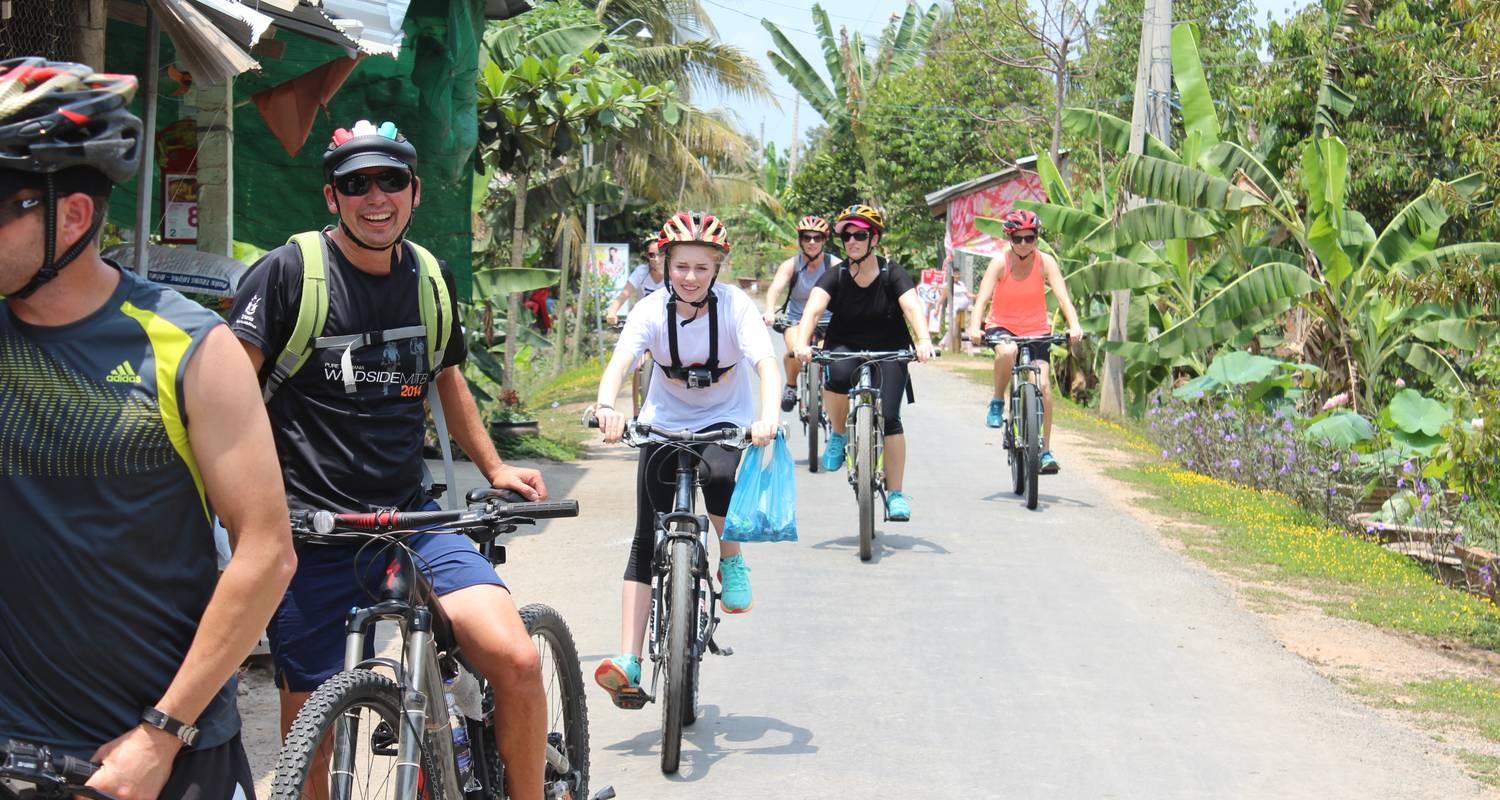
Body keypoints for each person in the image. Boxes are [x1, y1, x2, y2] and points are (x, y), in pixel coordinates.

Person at [227, 119, 550, 800]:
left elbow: (447, 378)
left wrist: (494, 467)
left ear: (415, 190)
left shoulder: (429, 278)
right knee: (307, 736)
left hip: (414, 519)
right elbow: (227, 391)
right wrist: (241, 511)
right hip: (316, 532)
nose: (376, 197)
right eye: (356, 183)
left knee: (516, 658)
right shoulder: (289, 275)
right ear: (332, 197)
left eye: (390, 180)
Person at [0, 57, 295, 798]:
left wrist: (161, 734)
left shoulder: (188, 347)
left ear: (71, 216)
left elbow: (265, 551)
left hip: (154, 757)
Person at [590, 211, 778, 705]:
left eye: (701, 267)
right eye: (680, 266)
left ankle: (731, 561)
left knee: (718, 478)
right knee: (644, 530)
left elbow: (766, 365)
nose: (690, 277)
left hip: (723, 421)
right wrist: (606, 406)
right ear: (665, 265)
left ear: (716, 269)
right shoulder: (650, 309)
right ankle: (629, 658)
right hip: (663, 423)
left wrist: (769, 416)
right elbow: (621, 363)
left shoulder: (737, 306)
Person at [793, 204, 936, 521]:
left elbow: (912, 308)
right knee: (837, 378)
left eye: (860, 235)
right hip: (845, 344)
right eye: (846, 236)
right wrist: (802, 343)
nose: (852, 241)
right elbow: (813, 311)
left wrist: (924, 340)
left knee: (891, 416)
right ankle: (840, 434)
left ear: (874, 239)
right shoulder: (837, 275)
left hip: (890, 347)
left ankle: (896, 494)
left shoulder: (892, 273)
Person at [965, 208, 1084, 474]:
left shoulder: (1045, 262)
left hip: (1036, 330)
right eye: (1018, 238)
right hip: (1002, 326)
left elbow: (1063, 298)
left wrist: (1074, 325)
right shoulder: (1000, 263)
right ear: (1009, 238)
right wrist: (975, 327)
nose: (1023, 244)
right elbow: (982, 299)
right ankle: (997, 400)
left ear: (1036, 238)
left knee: (1042, 384)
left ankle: (1045, 451)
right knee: (1007, 352)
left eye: (1029, 238)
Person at [761, 214, 839, 412]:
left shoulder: (834, 265)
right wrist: (770, 311)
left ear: (824, 240)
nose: (812, 242)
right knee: (795, 350)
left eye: (817, 237)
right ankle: (791, 385)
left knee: (826, 355)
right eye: (807, 237)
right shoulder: (791, 265)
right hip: (795, 320)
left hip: (827, 322)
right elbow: (775, 289)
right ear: (800, 240)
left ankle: (826, 389)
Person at [605, 237, 665, 327]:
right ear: (647, 256)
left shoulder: (675, 274)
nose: (656, 259)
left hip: (666, 322)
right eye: (652, 255)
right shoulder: (641, 271)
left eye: (661, 254)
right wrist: (612, 311)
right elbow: (624, 294)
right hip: (643, 322)